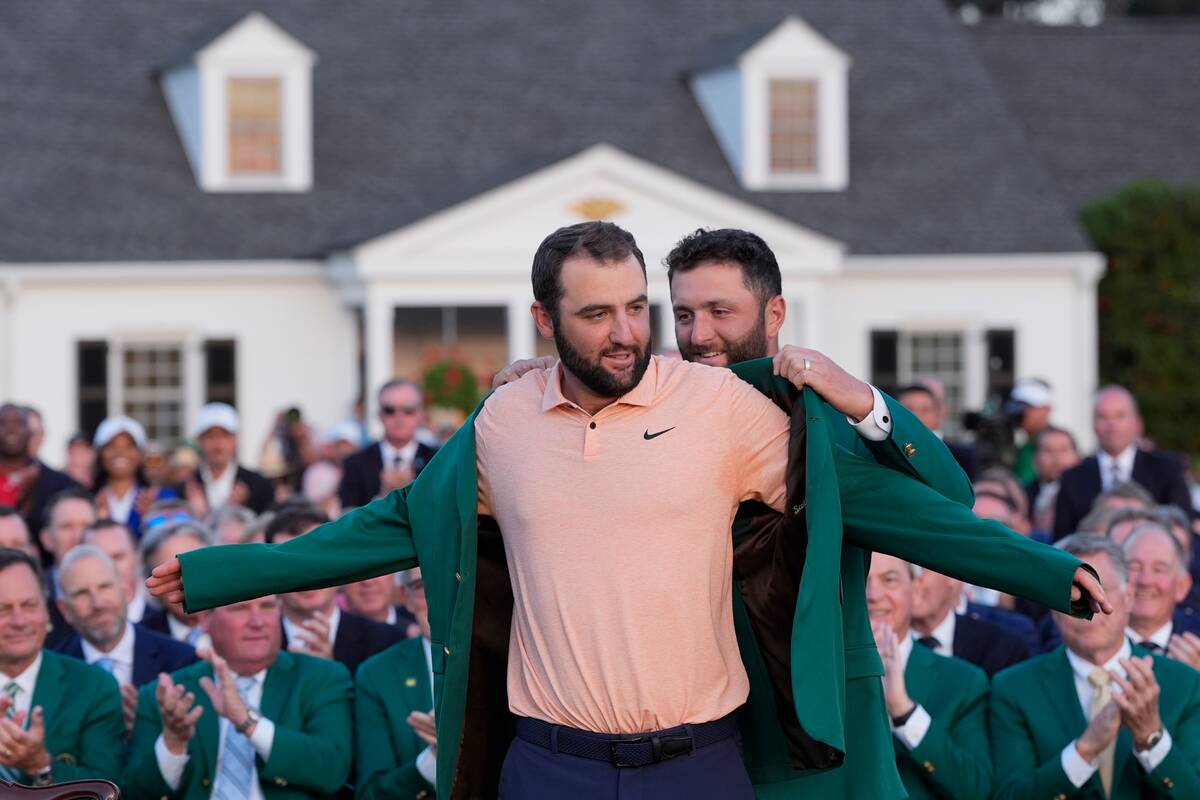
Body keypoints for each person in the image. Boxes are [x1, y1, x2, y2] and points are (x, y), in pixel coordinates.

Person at [150, 222, 1107, 799]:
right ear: (545, 321)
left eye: (638, 309)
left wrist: (1049, 571)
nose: (632, 334)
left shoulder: (724, 408)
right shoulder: (504, 421)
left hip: (716, 758)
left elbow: (890, 503)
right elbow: (388, 525)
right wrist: (215, 573)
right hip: (548, 764)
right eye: (600, 313)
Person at [990, 534, 1200, 799]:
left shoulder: (1186, 683)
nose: (1089, 607)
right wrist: (1084, 750)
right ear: (1052, 606)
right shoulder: (1014, 688)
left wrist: (1151, 737)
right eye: (1073, 594)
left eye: (1100, 590)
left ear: (1128, 597)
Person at [125, 594, 354, 798]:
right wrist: (173, 744)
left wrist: (248, 722)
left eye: (267, 606)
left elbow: (332, 771)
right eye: (240, 608)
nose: (257, 622)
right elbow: (136, 792)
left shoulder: (321, 677)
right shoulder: (168, 694)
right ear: (205, 619)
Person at [867, 552, 991, 800]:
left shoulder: (962, 681)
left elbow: (975, 788)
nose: (873, 595)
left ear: (915, 590)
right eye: (862, 580)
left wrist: (904, 710)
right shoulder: (817, 671)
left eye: (889, 580)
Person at [0, 548, 124, 785]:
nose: (19, 621)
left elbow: (108, 787)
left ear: (47, 611)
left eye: (29, 605)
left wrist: (41, 765)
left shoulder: (94, 687)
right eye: (3, 609)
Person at [53, 544, 196, 734]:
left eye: (105, 586)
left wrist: (150, 720)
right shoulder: (52, 672)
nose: (98, 603)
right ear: (64, 609)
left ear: (126, 590)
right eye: (81, 593)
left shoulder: (181, 660)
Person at [266, 506, 404, 675]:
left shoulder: (388, 642)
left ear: (338, 563)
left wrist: (330, 674)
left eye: (317, 558)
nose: (307, 575)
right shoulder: (251, 642)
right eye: (291, 563)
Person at [1054, 386, 1194, 538]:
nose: (1111, 425)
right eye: (1103, 417)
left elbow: (1182, 527)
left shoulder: (1167, 470)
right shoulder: (1073, 478)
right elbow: (1063, 538)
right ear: (1093, 424)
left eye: (1120, 416)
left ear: (1136, 422)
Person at [355, 569, 437, 799]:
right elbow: (372, 793)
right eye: (423, 586)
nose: (438, 598)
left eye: (451, 580)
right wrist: (433, 759)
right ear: (406, 597)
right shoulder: (377, 675)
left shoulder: (506, 660)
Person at [909, 564, 1031, 676]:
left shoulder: (1002, 648)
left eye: (919, 569)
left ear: (951, 576)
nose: (912, 582)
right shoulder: (897, 648)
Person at [338, 380, 440, 510]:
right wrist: (382, 498)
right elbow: (348, 515)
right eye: (389, 410)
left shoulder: (437, 460)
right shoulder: (355, 463)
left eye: (408, 410)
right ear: (379, 415)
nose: (399, 417)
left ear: (421, 414)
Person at [1122, 524, 1200, 669]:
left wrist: (1195, 678)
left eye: (1159, 569)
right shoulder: (1089, 634)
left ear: (1182, 586)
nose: (1145, 580)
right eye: (1134, 567)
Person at [0, 403, 79, 539]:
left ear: (30, 432)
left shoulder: (61, 484)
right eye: (2, 423)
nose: (11, 429)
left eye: (19, 423)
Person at [92, 415, 178, 535]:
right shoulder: (89, 499)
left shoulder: (162, 497)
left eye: (129, 446)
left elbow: (175, 537)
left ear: (141, 454)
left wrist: (152, 518)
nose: (120, 452)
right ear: (100, 453)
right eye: (111, 446)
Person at [186, 402, 275, 516]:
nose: (218, 443)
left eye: (225, 435)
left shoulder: (259, 486)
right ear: (199, 440)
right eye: (210, 436)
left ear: (236, 438)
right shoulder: (185, 488)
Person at [139, 520, 213, 649]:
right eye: (171, 574)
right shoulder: (141, 639)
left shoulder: (244, 620)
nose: (186, 582)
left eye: (195, 568)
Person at [896, 383, 981, 480]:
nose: (916, 415)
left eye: (925, 410)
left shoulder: (963, 456)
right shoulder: (886, 452)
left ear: (938, 414)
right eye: (908, 409)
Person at [83, 519, 150, 624]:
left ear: (137, 557)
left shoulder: (167, 610)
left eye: (118, 557)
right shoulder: (79, 622)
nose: (110, 567)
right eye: (100, 559)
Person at [1027, 426, 1081, 535]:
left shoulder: (1090, 494)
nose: (1056, 457)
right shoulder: (1022, 495)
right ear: (1035, 457)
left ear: (1077, 456)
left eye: (1063, 450)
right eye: (1048, 450)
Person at [1008, 378, 1054, 485]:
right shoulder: (1022, 446)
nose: (1020, 412)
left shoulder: (1058, 444)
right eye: (1017, 406)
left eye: (1027, 407)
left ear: (1046, 409)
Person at [342, 572, 418, 635]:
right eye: (356, 571)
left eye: (378, 569)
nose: (368, 582)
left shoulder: (419, 630)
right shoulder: (336, 638)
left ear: (394, 576)